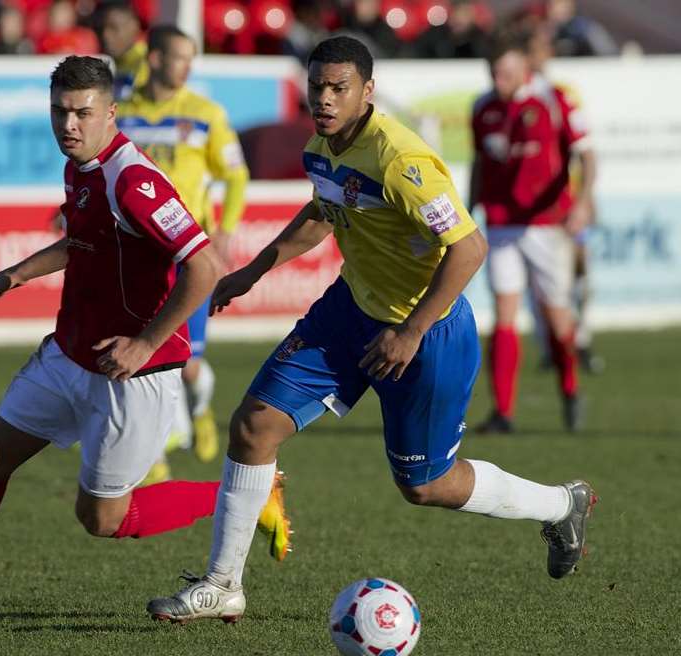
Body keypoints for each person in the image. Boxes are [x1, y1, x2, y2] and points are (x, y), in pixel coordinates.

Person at [147, 36, 597, 624]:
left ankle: (561, 505)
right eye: (317, 88)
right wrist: (253, 271)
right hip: (351, 311)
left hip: (426, 332)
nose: (326, 100)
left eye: (339, 88)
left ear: (367, 92)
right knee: (254, 426)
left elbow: (469, 248)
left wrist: (410, 331)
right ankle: (222, 583)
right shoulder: (322, 146)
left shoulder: (402, 161)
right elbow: (321, 212)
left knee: (424, 484)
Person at [0, 55, 289, 615]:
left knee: (103, 518)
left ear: (111, 113)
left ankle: (250, 497)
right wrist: (18, 273)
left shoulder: (134, 180)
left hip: (133, 373)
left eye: (82, 112)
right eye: (59, 111)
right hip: (71, 354)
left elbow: (202, 266)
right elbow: (84, 241)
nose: (68, 124)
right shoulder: (81, 166)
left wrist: (145, 343)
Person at [117, 25, 249, 477]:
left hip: (187, 254)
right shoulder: (124, 115)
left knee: (188, 365)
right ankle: (155, 454)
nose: (187, 67)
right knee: (145, 354)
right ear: (154, 59)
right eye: (179, 57)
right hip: (138, 252)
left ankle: (200, 411)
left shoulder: (205, 113)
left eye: (192, 59)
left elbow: (235, 175)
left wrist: (226, 231)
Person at [470, 38, 590, 434]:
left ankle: (570, 389)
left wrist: (582, 202)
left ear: (524, 69)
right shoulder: (484, 107)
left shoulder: (554, 101)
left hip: (546, 224)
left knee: (557, 317)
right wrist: (471, 211)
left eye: (505, 72)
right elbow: (480, 165)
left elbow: (586, 154)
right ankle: (503, 413)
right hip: (502, 224)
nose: (498, 80)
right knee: (504, 314)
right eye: (493, 73)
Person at [526, 20, 603, 375]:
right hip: (531, 211)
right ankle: (551, 345)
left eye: (540, 49)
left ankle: (580, 338)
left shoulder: (561, 94)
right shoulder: (512, 96)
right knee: (541, 283)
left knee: (579, 270)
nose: (536, 55)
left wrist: (585, 199)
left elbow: (583, 150)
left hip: (566, 201)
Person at [92, 0, 149, 101]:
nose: (105, 36)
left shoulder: (147, 61)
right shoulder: (101, 61)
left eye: (114, 28)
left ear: (134, 26)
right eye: (100, 28)